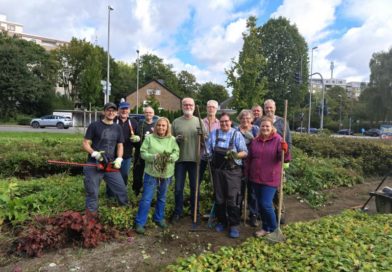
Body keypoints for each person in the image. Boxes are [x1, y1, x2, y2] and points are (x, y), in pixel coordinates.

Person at [245, 116, 291, 237]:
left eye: (267, 126)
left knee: (266, 203)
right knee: (260, 204)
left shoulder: (278, 140)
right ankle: (265, 228)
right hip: (255, 177)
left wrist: (285, 151)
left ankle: (275, 229)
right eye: (263, 126)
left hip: (270, 178)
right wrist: (247, 173)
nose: (265, 128)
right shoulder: (256, 141)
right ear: (259, 128)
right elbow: (250, 159)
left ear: (272, 128)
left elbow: (285, 159)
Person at [134, 117, 179, 234]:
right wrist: (153, 157)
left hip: (166, 174)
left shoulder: (172, 139)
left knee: (162, 198)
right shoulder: (149, 138)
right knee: (146, 198)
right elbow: (143, 153)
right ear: (155, 127)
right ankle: (140, 222)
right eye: (159, 125)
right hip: (151, 173)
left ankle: (158, 218)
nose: (161, 127)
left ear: (167, 127)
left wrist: (171, 158)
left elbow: (176, 152)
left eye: (164, 125)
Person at [82, 102, 128, 214]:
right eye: (108, 110)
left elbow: (120, 145)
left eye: (113, 110)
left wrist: (119, 158)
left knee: (121, 190)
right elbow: (85, 143)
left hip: (110, 165)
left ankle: (125, 212)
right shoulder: (94, 125)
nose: (111, 112)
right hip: (94, 164)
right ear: (104, 112)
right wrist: (94, 153)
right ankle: (91, 218)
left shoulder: (117, 128)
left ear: (116, 113)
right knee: (92, 193)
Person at [207, 112, 248, 238]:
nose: (224, 123)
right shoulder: (214, 134)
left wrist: (235, 155)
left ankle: (234, 225)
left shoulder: (236, 134)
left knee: (233, 198)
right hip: (218, 171)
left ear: (231, 122)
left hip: (233, 171)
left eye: (226, 121)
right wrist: (208, 154)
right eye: (222, 121)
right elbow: (208, 150)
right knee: (219, 198)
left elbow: (245, 152)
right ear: (219, 123)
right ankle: (222, 222)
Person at [171, 97, 205, 223]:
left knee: (194, 187)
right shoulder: (176, 122)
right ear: (182, 106)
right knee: (179, 187)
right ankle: (178, 212)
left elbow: (206, 141)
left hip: (195, 160)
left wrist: (202, 136)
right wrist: (176, 139)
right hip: (180, 160)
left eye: (190, 105)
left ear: (194, 107)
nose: (188, 107)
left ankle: (194, 211)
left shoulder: (200, 122)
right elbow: (170, 140)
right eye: (186, 105)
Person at [264, 99, 292, 224]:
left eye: (271, 107)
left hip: (279, 162)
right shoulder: (261, 122)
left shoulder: (282, 122)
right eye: (267, 108)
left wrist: (286, 158)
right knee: (266, 189)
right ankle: (269, 214)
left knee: (278, 189)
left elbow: (289, 141)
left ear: (275, 108)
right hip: (265, 163)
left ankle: (280, 213)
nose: (269, 110)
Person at [106, 100, 139, 198]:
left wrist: (137, 138)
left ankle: (120, 195)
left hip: (126, 155)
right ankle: (110, 197)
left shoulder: (133, 122)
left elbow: (138, 136)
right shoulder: (113, 120)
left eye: (126, 109)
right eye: (122, 109)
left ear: (129, 110)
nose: (124, 111)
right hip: (112, 155)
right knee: (111, 175)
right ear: (118, 110)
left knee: (124, 176)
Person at [236, 109, 259, 227]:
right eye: (243, 118)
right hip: (239, 163)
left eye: (248, 118)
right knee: (239, 190)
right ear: (239, 119)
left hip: (253, 164)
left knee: (253, 191)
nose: (245, 120)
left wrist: (253, 139)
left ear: (252, 119)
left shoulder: (256, 130)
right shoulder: (235, 130)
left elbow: (261, 144)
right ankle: (237, 213)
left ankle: (253, 215)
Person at [132, 106, 156, 196]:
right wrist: (134, 140)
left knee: (150, 176)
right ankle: (136, 193)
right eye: (146, 112)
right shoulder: (139, 125)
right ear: (144, 114)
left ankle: (148, 193)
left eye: (150, 112)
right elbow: (133, 139)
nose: (148, 114)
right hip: (140, 154)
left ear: (153, 114)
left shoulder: (156, 126)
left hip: (152, 155)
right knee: (137, 175)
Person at [199, 100, 220, 187]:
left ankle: (215, 199)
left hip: (215, 156)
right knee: (197, 179)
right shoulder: (200, 122)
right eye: (209, 107)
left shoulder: (220, 124)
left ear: (216, 109)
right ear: (206, 108)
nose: (211, 109)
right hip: (201, 155)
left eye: (213, 107)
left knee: (216, 180)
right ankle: (196, 199)